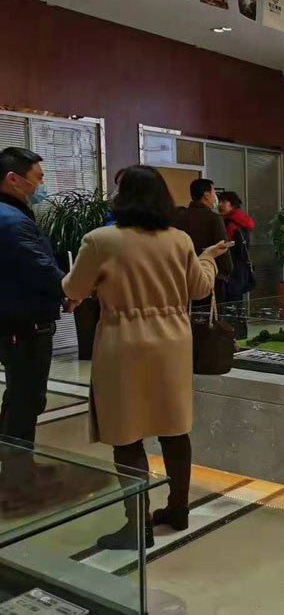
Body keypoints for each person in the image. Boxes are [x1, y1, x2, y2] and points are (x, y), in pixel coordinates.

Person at [62, 165, 229, 549]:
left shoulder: (100, 240)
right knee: (174, 429)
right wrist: (207, 257)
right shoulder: (179, 240)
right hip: (172, 343)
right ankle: (179, 509)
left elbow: (74, 288)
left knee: (126, 434)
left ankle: (138, 526)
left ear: (123, 197)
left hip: (123, 343)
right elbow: (200, 288)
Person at [0, 147, 68, 449]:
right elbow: (39, 268)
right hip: (25, 322)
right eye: (38, 178)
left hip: (13, 317)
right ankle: (18, 468)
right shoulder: (12, 221)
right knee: (27, 398)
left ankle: (12, 461)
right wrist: (70, 290)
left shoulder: (12, 214)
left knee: (18, 395)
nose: (42, 185)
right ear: (13, 179)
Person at [173, 178, 232, 301]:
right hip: (208, 277)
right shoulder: (214, 218)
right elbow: (222, 249)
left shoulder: (178, 216)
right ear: (206, 195)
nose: (215, 197)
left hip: (181, 277)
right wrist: (225, 273)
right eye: (213, 192)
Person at [217, 192, 256, 303]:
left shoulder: (228, 224)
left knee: (228, 303)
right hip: (241, 268)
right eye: (219, 201)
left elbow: (224, 246)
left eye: (223, 202)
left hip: (230, 269)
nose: (219, 205)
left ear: (233, 204)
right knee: (237, 303)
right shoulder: (242, 221)